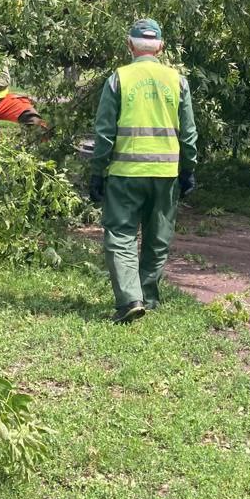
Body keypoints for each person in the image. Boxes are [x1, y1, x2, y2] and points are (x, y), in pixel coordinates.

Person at [88, 18, 198, 323]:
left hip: (125, 172)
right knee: (157, 238)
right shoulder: (177, 81)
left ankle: (130, 299)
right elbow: (188, 133)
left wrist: (98, 171)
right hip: (166, 175)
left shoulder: (119, 79)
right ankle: (147, 295)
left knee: (121, 235)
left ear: (129, 45)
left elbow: (105, 132)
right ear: (161, 47)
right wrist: (188, 170)